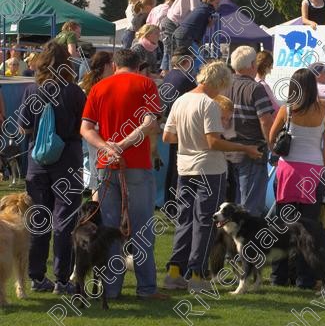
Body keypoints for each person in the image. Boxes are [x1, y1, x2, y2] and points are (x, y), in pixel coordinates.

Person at [162, 61, 261, 291]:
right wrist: (245, 148)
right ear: (219, 82)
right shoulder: (210, 105)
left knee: (185, 220)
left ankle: (174, 272)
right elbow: (213, 141)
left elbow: (168, 137)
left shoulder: (181, 100)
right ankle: (197, 275)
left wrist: (189, 140)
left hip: (184, 168)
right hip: (209, 170)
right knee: (205, 222)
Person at [80, 49, 167, 300]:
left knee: (110, 229)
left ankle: (112, 289)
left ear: (115, 64)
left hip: (107, 165)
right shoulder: (146, 84)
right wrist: (124, 144)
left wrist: (109, 147)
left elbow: (85, 129)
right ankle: (147, 289)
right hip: (137, 165)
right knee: (142, 229)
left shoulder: (99, 87)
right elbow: (151, 123)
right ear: (138, 65)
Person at [19, 41, 86, 294]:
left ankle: (36, 277)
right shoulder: (74, 92)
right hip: (67, 161)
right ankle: (62, 279)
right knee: (65, 221)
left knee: (39, 220)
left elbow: (24, 128)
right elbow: (85, 127)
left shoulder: (31, 90)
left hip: (37, 162)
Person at [268, 67, 325, 289]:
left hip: (288, 172)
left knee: (282, 226)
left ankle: (279, 276)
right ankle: (305, 279)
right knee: (309, 229)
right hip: (313, 172)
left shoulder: (287, 110)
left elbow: (271, 138)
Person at [223, 46, 274, 216]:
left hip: (228, 151)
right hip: (252, 151)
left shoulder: (224, 86)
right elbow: (265, 121)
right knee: (249, 208)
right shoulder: (255, 88)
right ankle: (248, 242)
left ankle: (230, 242)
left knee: (231, 206)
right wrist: (272, 145)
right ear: (252, 64)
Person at [160, 48, 197, 206]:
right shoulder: (186, 79)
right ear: (186, 61)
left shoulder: (169, 76)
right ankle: (175, 204)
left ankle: (169, 202)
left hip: (169, 123)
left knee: (173, 167)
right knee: (179, 169)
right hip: (181, 127)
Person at [79, 52, 115, 195]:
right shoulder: (100, 86)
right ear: (106, 65)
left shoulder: (86, 84)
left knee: (95, 170)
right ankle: (97, 210)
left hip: (91, 132)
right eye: (111, 62)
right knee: (98, 173)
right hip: (96, 131)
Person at [160, 0, 203, 74]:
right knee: (176, 53)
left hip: (170, 21)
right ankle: (171, 76)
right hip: (173, 23)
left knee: (170, 51)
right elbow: (196, 12)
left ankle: (167, 75)